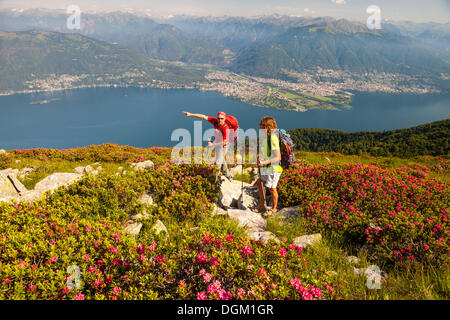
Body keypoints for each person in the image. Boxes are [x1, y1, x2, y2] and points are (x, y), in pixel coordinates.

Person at [183, 111, 233, 179]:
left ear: (225, 119)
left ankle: (215, 180)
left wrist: (212, 144)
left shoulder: (226, 129)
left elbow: (224, 142)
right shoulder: (215, 121)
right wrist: (191, 114)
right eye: (218, 118)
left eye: (222, 118)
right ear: (217, 118)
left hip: (223, 146)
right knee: (221, 159)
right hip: (217, 143)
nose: (220, 120)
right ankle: (228, 175)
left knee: (218, 163)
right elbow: (203, 116)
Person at [253, 116, 283, 218]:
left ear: (267, 127)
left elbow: (278, 157)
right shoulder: (266, 137)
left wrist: (264, 162)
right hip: (266, 166)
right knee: (259, 182)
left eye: (261, 125)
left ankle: (274, 208)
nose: (259, 126)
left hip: (273, 169)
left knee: (272, 188)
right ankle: (262, 205)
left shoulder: (273, 138)